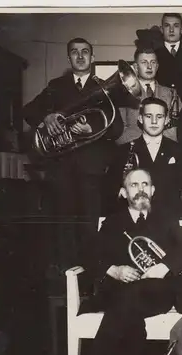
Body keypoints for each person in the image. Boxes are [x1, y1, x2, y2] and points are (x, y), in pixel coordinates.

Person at [22, 37, 124, 275]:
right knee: (64, 222)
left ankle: (92, 274)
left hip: (92, 168)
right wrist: (46, 117)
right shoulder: (56, 86)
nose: (80, 56)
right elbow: (28, 110)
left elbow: (117, 128)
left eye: (85, 52)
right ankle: (67, 273)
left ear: (93, 57)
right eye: (75, 52)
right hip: (63, 166)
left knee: (89, 224)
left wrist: (94, 129)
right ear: (69, 59)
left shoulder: (103, 87)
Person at [78, 168, 182, 355]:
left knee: (125, 298)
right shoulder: (112, 222)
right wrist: (113, 270)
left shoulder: (166, 218)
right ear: (123, 193)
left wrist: (164, 267)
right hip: (122, 293)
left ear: (153, 190)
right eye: (134, 185)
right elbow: (88, 254)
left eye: (145, 185)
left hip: (159, 293)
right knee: (131, 317)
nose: (141, 189)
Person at [105, 97, 182, 218]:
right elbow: (113, 190)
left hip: (170, 218)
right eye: (148, 116)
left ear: (166, 120)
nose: (154, 121)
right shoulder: (123, 151)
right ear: (140, 119)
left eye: (159, 117)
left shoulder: (179, 151)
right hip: (136, 217)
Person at [117, 45, 182, 144]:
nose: (149, 66)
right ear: (135, 67)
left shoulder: (171, 93)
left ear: (157, 66)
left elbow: (178, 127)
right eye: (144, 62)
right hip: (133, 148)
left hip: (165, 150)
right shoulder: (123, 94)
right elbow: (118, 130)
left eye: (153, 62)